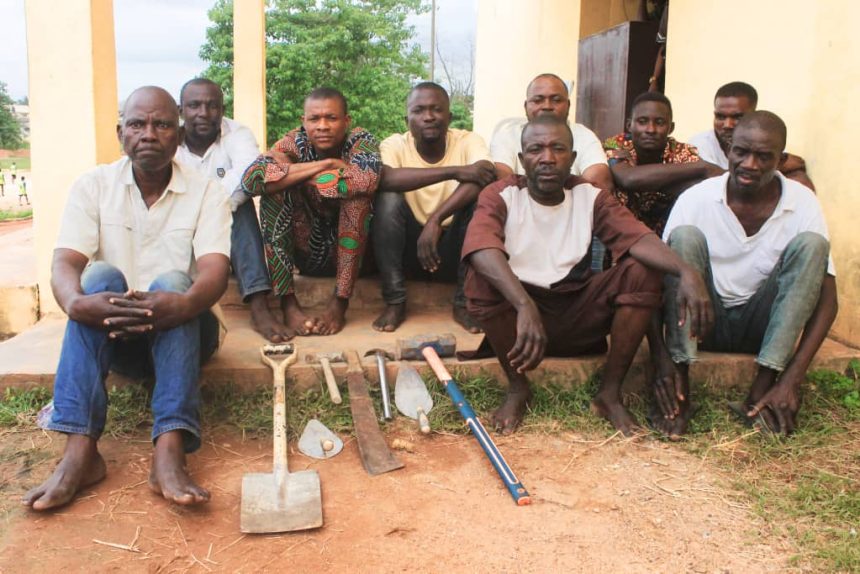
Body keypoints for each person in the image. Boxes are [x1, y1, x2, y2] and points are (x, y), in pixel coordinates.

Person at [22, 86, 231, 511]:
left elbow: (214, 271)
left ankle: (169, 450)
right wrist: (76, 304)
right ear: (121, 134)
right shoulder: (93, 186)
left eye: (162, 124)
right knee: (97, 277)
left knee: (174, 281)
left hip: (187, 330)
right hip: (117, 336)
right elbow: (65, 262)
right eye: (137, 124)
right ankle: (80, 452)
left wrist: (183, 303)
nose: (149, 134)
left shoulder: (207, 190)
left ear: (179, 135)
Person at [462, 115, 711, 436]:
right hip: (520, 322)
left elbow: (638, 238)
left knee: (641, 269)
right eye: (536, 149)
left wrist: (686, 271)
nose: (547, 158)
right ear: (522, 160)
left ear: (573, 158)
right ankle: (518, 388)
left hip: (577, 312)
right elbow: (480, 247)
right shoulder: (500, 194)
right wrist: (524, 305)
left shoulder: (590, 195)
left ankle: (609, 393)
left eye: (558, 149)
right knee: (481, 277)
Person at [661, 111, 837, 437]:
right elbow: (659, 278)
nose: (750, 164)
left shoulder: (803, 202)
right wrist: (665, 366)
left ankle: (762, 388)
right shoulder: (697, 198)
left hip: (763, 327)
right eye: (741, 152)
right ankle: (681, 386)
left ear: (781, 160)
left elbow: (827, 300)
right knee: (684, 237)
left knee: (812, 245)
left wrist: (791, 380)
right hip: (705, 323)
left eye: (764, 156)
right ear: (729, 150)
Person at [237, 87, 381, 336]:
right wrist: (327, 165)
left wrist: (293, 174)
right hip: (307, 255)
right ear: (303, 121)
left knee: (356, 198)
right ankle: (288, 303)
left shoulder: (361, 140)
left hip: (358, 258)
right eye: (314, 119)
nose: (322, 126)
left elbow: (365, 180)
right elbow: (252, 180)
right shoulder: (295, 142)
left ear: (346, 121)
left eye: (331, 118)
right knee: (274, 193)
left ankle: (340, 303)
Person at [372, 82, 496, 333]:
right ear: (406, 119)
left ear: (449, 117)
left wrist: (435, 219)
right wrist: (456, 171)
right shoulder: (394, 144)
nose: (428, 117)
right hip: (409, 250)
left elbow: (485, 174)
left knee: (481, 200)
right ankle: (395, 301)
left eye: (436, 109)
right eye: (418, 110)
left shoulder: (468, 141)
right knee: (387, 199)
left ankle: (464, 302)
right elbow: (386, 179)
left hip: (455, 250)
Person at [174, 78, 287, 342]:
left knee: (240, 204)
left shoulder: (238, 134)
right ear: (181, 111)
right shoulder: (169, 140)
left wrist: (208, 208)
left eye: (212, 106)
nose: (204, 113)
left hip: (224, 232)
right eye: (194, 105)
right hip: (181, 233)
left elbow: (246, 177)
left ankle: (259, 305)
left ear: (222, 110)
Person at [490, 73, 615, 271]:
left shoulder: (583, 136)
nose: (547, 106)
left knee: (599, 209)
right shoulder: (508, 135)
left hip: (573, 223)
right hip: (520, 219)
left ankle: (587, 282)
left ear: (568, 106)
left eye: (556, 100)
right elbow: (500, 180)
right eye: (538, 100)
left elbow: (599, 181)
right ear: (526, 106)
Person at [688, 82, 815, 190]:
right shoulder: (700, 144)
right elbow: (718, 184)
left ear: (753, 115)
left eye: (737, 117)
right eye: (720, 117)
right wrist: (778, 168)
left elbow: (796, 170)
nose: (727, 125)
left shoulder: (764, 140)